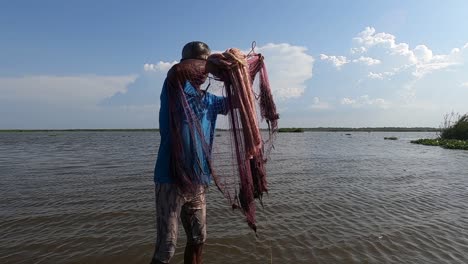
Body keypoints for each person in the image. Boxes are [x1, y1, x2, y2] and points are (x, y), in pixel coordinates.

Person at [151, 41, 229, 264]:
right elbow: (176, 71)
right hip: (170, 180)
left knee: (198, 239)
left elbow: (236, 102)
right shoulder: (174, 89)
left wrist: (241, 71)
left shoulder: (211, 101)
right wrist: (212, 62)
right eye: (200, 63)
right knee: (166, 248)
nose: (203, 71)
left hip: (198, 182)